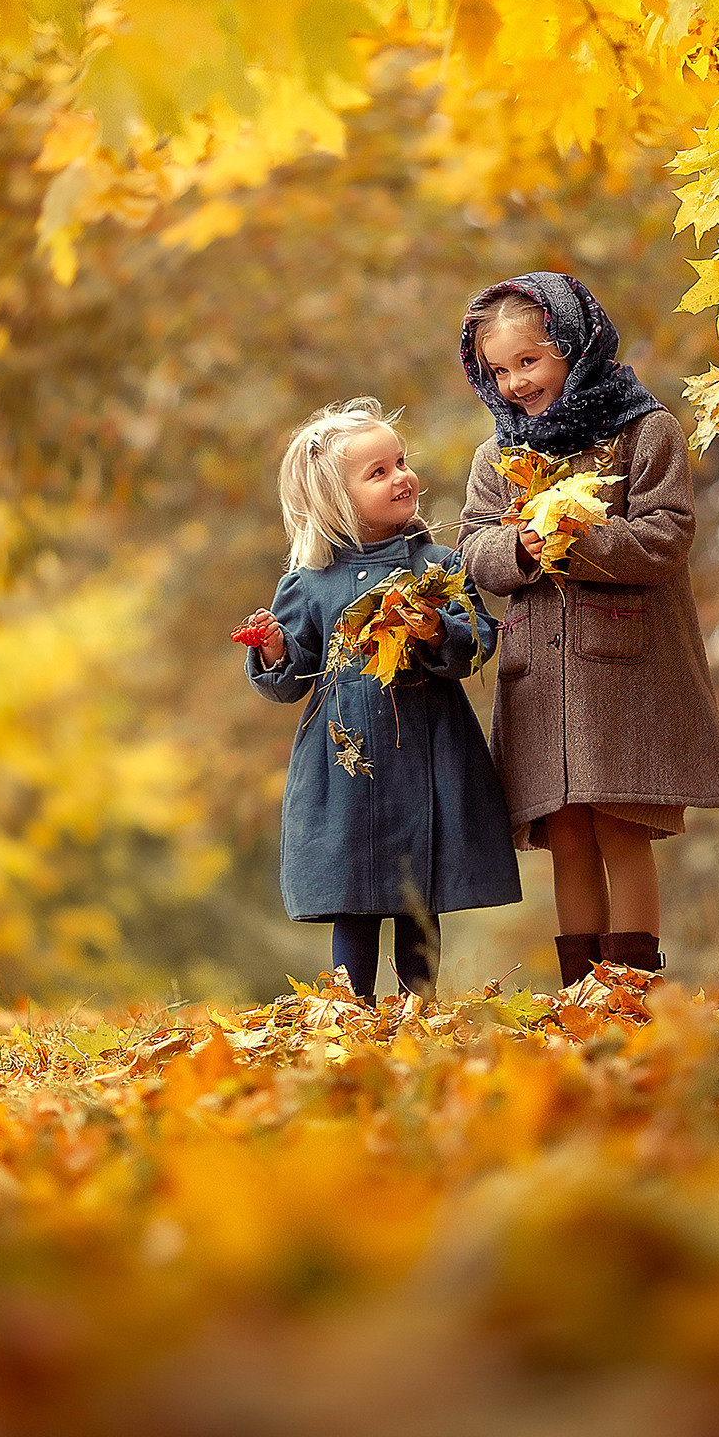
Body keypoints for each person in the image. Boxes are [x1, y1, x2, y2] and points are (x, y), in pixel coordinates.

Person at [458, 273, 719, 987]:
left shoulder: (647, 432)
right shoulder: (497, 459)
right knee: (569, 836)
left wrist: (574, 536)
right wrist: (518, 548)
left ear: (575, 346)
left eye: (530, 360)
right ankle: (581, 991)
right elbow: (476, 551)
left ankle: (633, 986)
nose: (516, 382)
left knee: (621, 826)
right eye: (500, 369)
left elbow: (666, 538)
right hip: (540, 681)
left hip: (624, 672)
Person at [243, 397, 520, 1001]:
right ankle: (353, 1007)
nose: (402, 476)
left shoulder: (440, 566)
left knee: (418, 890)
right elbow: (292, 680)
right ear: (337, 500)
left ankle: (419, 1005)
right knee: (355, 886)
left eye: (401, 461)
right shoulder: (308, 582)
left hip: (428, 751)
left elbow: (476, 643)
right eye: (379, 472)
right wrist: (272, 649)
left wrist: (435, 630)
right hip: (347, 761)